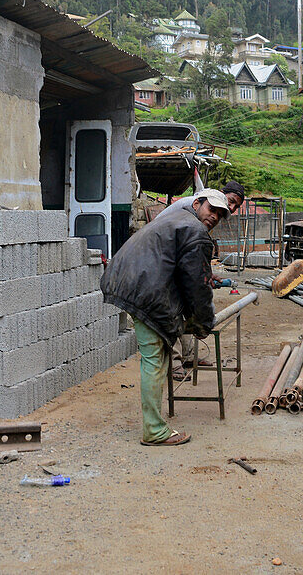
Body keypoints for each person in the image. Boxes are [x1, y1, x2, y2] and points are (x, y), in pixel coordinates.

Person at [101, 188, 229, 445]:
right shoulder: (196, 232)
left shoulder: (177, 219)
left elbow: (183, 273)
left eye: (219, 214)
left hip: (125, 279)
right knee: (155, 359)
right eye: (211, 209)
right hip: (143, 290)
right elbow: (197, 285)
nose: (214, 216)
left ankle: (154, 425)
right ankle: (154, 431)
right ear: (197, 203)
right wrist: (204, 321)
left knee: (156, 356)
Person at [160, 181, 245, 377]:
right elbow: (191, 247)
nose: (231, 208)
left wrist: (205, 273)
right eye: (231, 201)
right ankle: (173, 362)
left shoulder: (209, 210)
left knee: (186, 304)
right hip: (164, 256)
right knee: (171, 308)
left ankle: (189, 355)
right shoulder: (196, 206)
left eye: (236, 206)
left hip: (174, 254)